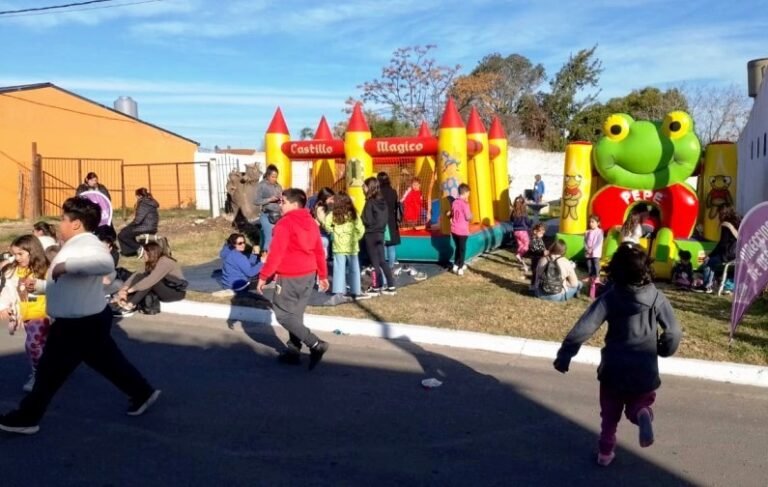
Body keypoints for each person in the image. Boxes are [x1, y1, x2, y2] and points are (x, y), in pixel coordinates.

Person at [0, 197, 160, 435]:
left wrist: (66, 266)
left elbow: (105, 264)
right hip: (88, 320)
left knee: (48, 373)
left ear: (76, 224)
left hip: (77, 324)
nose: (60, 223)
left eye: (63, 219)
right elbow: (73, 284)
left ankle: (27, 418)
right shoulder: (76, 245)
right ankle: (143, 392)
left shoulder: (88, 245)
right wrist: (43, 286)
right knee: (108, 363)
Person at [553, 243, 682, 466]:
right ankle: (641, 413)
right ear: (646, 269)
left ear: (616, 270)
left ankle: (605, 454)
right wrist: (664, 349)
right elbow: (674, 331)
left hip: (613, 370)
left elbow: (584, 327)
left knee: (610, 416)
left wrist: (565, 355)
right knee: (639, 403)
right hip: (644, 369)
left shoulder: (611, 298)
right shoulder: (656, 298)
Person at [256, 188, 330, 370]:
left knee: (282, 314)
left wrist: (264, 276)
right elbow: (319, 250)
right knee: (295, 315)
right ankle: (293, 351)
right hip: (308, 275)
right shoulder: (311, 222)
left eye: (283, 202)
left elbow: (276, 254)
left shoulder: (284, 224)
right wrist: (322, 275)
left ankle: (315, 344)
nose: (280, 205)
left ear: (294, 204)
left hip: (290, 276)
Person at [0, 235, 51, 392]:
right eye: (14, 254)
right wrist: (3, 306)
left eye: (20, 254)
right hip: (26, 315)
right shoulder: (14, 271)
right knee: (41, 345)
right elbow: (8, 290)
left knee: (33, 345)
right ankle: (46, 370)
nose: (17, 258)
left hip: (43, 315)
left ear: (32, 251)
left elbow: (57, 288)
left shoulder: (46, 269)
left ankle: (39, 374)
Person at [114, 241, 186, 316]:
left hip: (175, 292)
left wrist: (128, 291)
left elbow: (150, 281)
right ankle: (124, 301)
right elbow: (136, 274)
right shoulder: (152, 262)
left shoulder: (165, 262)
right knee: (140, 276)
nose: (143, 256)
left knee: (149, 282)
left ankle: (130, 305)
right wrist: (124, 288)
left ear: (151, 253)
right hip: (163, 289)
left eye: (144, 253)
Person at [323, 192, 370, 302]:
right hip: (352, 245)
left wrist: (332, 232)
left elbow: (326, 224)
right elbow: (361, 228)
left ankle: (339, 291)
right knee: (354, 269)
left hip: (338, 246)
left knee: (339, 268)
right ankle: (355, 290)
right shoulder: (353, 214)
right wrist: (357, 238)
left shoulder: (333, 214)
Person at [361, 177, 397, 295]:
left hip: (371, 234)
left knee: (374, 262)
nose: (363, 188)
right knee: (382, 261)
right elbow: (384, 218)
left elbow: (367, 219)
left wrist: (362, 220)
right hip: (380, 234)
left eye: (364, 186)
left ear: (369, 188)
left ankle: (376, 286)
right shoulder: (382, 201)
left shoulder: (369, 202)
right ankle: (391, 286)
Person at [697, 206, 740, 293]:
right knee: (711, 261)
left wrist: (709, 255)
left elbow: (722, 244)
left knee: (707, 262)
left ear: (722, 214)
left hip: (727, 255)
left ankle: (706, 286)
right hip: (736, 254)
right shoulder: (737, 224)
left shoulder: (726, 225)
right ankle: (709, 285)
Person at [118, 188, 159, 257]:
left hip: (145, 227)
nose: (136, 197)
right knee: (126, 232)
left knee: (122, 234)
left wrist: (127, 225)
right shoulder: (150, 202)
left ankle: (137, 248)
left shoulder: (143, 204)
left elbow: (138, 221)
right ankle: (131, 251)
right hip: (151, 226)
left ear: (139, 196)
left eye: (136, 196)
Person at [253, 165, 283, 259]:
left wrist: (281, 200)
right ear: (267, 175)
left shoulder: (278, 186)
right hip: (266, 215)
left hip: (278, 215)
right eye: (272, 177)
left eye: (276, 177)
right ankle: (266, 260)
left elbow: (281, 197)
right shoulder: (261, 185)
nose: (274, 179)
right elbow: (256, 201)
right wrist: (269, 199)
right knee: (269, 237)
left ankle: (275, 257)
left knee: (278, 238)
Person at [377, 172, 402, 279]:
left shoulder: (378, 193)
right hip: (391, 219)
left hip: (381, 220)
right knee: (391, 245)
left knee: (381, 245)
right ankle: (391, 267)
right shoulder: (393, 192)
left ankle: (382, 267)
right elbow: (396, 205)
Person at [450, 183, 472, 276]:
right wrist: (472, 215)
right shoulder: (465, 204)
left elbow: (452, 213)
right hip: (462, 231)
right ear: (465, 193)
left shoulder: (454, 202)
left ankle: (455, 265)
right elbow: (468, 217)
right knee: (462, 249)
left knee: (458, 248)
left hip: (454, 230)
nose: (469, 195)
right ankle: (460, 267)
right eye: (468, 193)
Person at [311, 187, 335, 259]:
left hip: (325, 235)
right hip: (321, 235)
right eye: (331, 199)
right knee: (322, 257)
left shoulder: (328, 207)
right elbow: (324, 222)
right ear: (325, 198)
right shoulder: (320, 209)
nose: (333, 201)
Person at [510, 195, 532, 273]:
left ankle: (521, 259)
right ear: (523, 204)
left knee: (521, 245)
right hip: (523, 231)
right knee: (526, 245)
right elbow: (528, 222)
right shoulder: (524, 213)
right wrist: (530, 225)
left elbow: (511, 220)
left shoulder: (513, 212)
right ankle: (519, 255)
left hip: (516, 232)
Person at [584, 215, 604, 295]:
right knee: (589, 265)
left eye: (593, 222)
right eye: (590, 222)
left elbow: (598, 242)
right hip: (588, 252)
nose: (590, 223)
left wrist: (592, 249)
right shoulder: (587, 232)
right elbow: (584, 241)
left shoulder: (600, 231)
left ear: (598, 223)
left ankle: (597, 277)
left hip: (595, 252)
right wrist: (587, 248)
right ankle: (590, 278)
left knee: (596, 264)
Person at [528, 223, 548, 288]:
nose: (542, 235)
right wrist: (542, 252)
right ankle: (532, 286)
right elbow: (534, 250)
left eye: (543, 234)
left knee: (541, 272)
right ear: (535, 231)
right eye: (541, 233)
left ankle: (539, 285)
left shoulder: (539, 239)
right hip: (535, 259)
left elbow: (542, 247)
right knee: (535, 273)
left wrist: (545, 251)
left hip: (540, 258)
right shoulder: (532, 240)